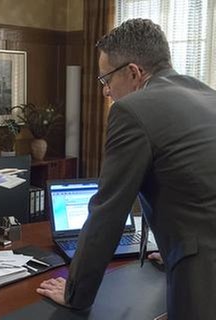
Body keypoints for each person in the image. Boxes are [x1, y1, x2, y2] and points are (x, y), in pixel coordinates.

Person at [37, 18, 216, 319]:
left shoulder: (132, 109)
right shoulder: (207, 95)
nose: (106, 92)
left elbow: (108, 212)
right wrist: (171, 246)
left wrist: (75, 294)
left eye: (106, 80)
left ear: (133, 72)